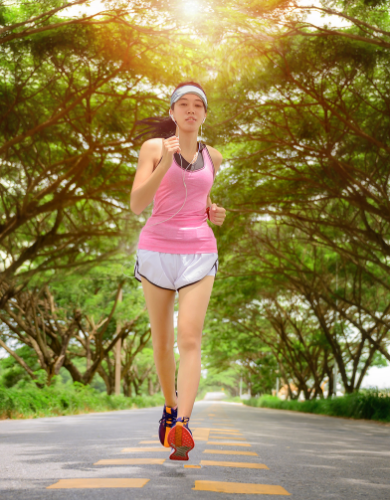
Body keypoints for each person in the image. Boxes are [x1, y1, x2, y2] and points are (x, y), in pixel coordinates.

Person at [129, 82, 227, 461]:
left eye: (197, 105)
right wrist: (165, 165)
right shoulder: (154, 149)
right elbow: (138, 203)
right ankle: (169, 408)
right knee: (161, 340)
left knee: (189, 337)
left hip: (199, 251)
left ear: (204, 114)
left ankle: (183, 424)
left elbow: (199, 196)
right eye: (182, 104)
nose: (190, 110)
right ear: (171, 113)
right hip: (156, 249)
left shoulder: (213, 156)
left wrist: (213, 212)